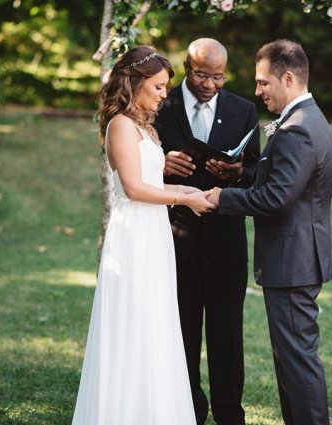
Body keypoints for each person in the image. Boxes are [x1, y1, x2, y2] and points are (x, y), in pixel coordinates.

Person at [71, 45, 216, 425]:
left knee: (155, 321)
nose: (164, 94)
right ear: (133, 83)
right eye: (158, 86)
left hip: (154, 233)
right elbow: (134, 189)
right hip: (134, 235)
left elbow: (154, 181)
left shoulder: (145, 127)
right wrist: (182, 201)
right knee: (134, 322)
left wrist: (193, 193)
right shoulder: (120, 124)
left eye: (166, 87)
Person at [208, 39, 332, 425]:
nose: (257, 91)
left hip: (293, 262)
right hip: (296, 259)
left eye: (264, 82)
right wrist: (242, 175)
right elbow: (281, 184)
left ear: (287, 77)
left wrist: (221, 198)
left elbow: (276, 199)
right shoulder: (307, 118)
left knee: (298, 362)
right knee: (292, 360)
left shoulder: (297, 128)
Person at [154, 38, 260, 425]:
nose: (210, 84)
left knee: (227, 336)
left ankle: (230, 414)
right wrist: (161, 165)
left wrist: (237, 174)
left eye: (219, 77)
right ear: (185, 65)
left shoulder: (243, 110)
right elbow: (139, 163)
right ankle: (188, 411)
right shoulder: (160, 105)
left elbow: (255, 174)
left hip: (226, 244)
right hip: (174, 240)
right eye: (201, 74)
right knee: (180, 332)